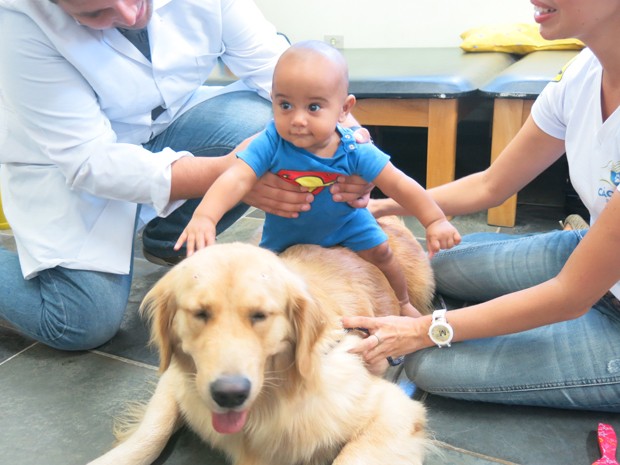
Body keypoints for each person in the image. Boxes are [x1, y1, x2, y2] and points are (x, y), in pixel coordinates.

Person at [0, 0, 369, 351]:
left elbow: (280, 70)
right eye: (96, 12)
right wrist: (235, 172)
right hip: (68, 168)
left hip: (166, 123)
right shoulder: (19, 20)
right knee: (81, 320)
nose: (131, 16)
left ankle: (168, 237)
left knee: (280, 122)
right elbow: (91, 162)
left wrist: (353, 148)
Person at [343, 0, 620, 412]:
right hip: (594, 255)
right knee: (442, 266)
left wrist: (424, 329)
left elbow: (569, 295)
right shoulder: (583, 74)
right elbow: (492, 184)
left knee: (431, 366)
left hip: (594, 296)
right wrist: (385, 206)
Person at [174, 40, 461, 318]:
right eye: (285, 105)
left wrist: (434, 220)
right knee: (260, 272)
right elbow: (236, 177)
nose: (297, 120)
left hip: (346, 224)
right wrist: (205, 217)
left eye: (313, 107)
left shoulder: (354, 149)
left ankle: (404, 301)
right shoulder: (271, 141)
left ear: (344, 109)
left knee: (384, 254)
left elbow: (399, 184)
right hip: (286, 232)